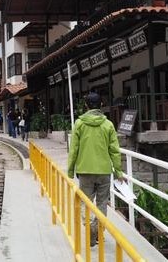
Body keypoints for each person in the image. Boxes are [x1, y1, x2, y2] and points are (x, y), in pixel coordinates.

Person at [68, 92, 124, 246]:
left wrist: (70, 170)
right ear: (101, 105)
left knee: (85, 203)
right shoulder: (108, 124)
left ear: (86, 106)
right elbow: (114, 150)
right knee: (102, 203)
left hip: (85, 170)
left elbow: (74, 150)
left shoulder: (79, 124)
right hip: (104, 171)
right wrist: (118, 171)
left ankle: (90, 228)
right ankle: (97, 230)